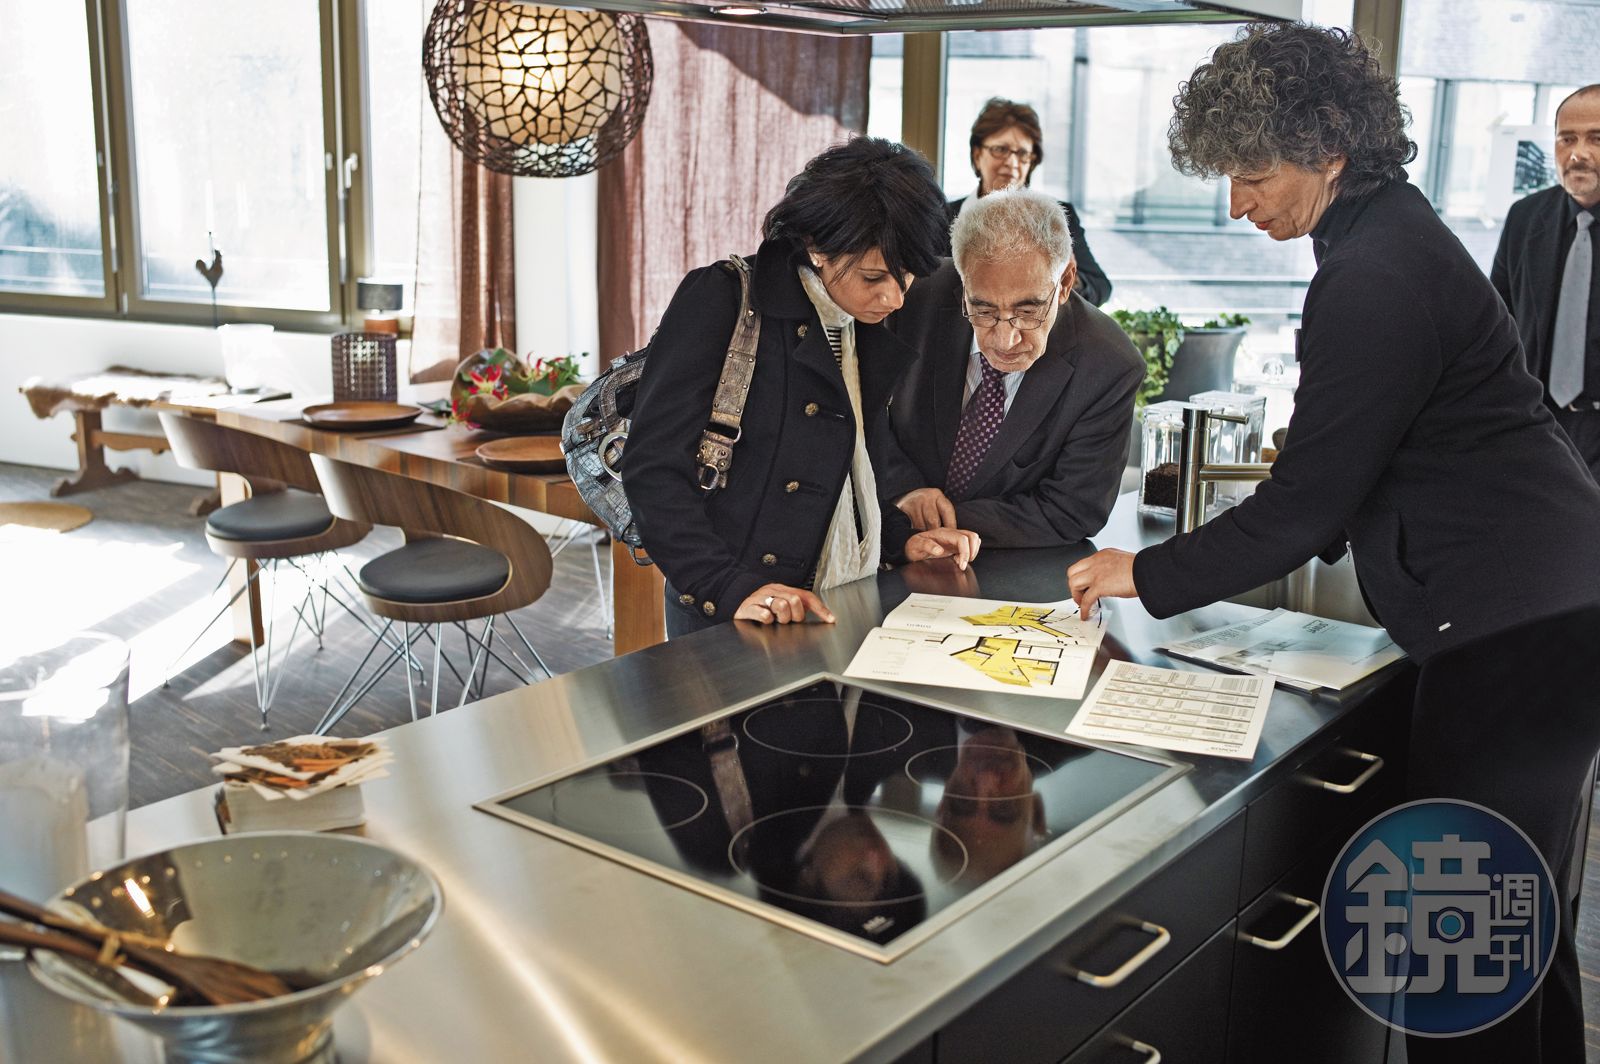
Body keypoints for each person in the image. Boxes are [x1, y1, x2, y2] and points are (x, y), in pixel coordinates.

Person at [1065, 24, 1600, 1061]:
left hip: (1513, 633)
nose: (1237, 203)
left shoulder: (1372, 272)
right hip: (1552, 605)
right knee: (1516, 921)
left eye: (1254, 175)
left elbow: (1304, 511)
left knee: (1456, 948)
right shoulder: (1390, 233)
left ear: (1330, 151)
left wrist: (1143, 570)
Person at [624, 137, 982, 638]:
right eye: (874, 276)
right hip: (734, 603)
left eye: (905, 277)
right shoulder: (723, 298)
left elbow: (850, 466)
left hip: (840, 596)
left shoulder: (857, 321)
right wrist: (725, 585)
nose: (895, 298)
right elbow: (652, 467)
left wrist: (899, 540)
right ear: (818, 247)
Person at [875, 189, 1141, 546]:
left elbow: (1073, 510)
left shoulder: (1108, 365)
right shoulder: (911, 299)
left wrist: (938, 520)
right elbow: (861, 413)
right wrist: (905, 491)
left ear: (1065, 282)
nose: (1005, 340)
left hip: (1014, 564)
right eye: (983, 310)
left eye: (1028, 312)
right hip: (885, 544)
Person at [1492, 84, 1600, 479]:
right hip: (1538, 428)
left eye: (1596, 139)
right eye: (1566, 139)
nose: (1578, 154)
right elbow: (1495, 329)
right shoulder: (1525, 218)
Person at [942, 98, 1113, 307]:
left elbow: (1100, 288)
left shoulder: (1057, 217)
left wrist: (1067, 278)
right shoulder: (942, 217)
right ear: (977, 155)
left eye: (1022, 154)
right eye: (1000, 150)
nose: (1012, 163)